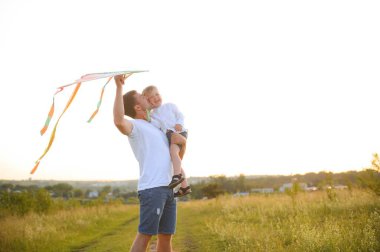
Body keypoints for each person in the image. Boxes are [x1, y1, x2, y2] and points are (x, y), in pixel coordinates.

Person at [113, 74, 181, 252]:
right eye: (143, 97)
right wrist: (119, 88)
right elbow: (119, 120)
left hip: (169, 188)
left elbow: (175, 157)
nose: (147, 96)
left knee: (166, 238)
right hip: (153, 189)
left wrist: (183, 143)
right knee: (145, 236)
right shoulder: (135, 126)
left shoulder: (157, 127)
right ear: (137, 106)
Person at [142, 85, 191, 197]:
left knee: (174, 154)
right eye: (151, 97)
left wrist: (179, 123)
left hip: (178, 133)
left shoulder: (170, 106)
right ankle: (185, 186)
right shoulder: (153, 115)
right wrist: (148, 110)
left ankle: (176, 176)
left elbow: (180, 115)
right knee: (174, 159)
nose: (155, 97)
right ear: (148, 101)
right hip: (170, 137)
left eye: (157, 94)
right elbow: (153, 124)